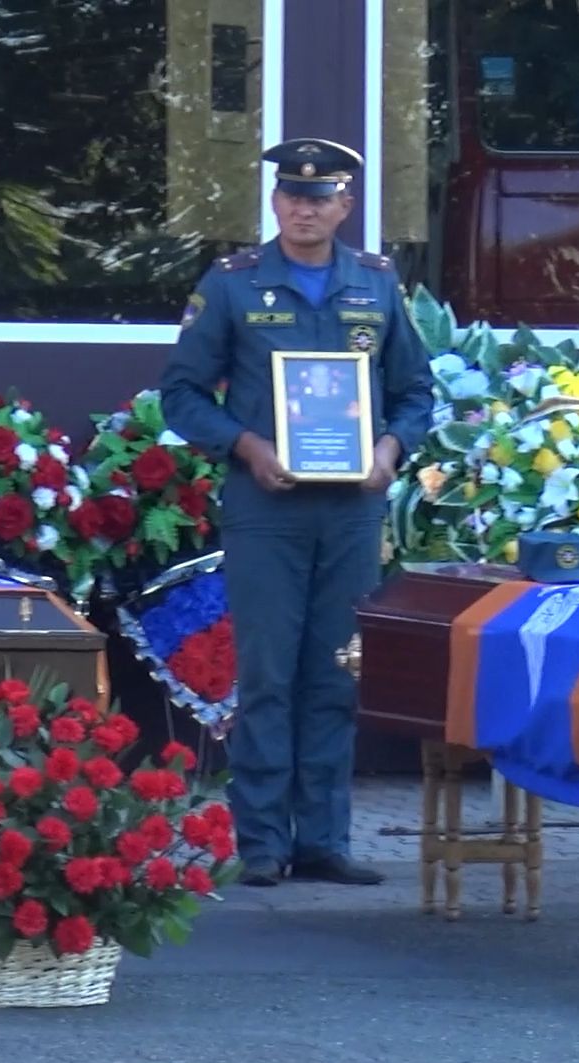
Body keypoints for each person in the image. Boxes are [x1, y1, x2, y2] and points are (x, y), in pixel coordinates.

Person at [159, 137, 434, 887]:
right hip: (266, 507)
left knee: (337, 673)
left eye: (320, 198)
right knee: (269, 672)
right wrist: (244, 443)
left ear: (345, 206)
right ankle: (260, 844)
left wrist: (389, 449)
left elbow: (416, 392)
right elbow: (179, 394)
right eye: (291, 196)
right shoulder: (232, 285)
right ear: (275, 203)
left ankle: (324, 840)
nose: (303, 209)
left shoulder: (376, 286)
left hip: (349, 511)